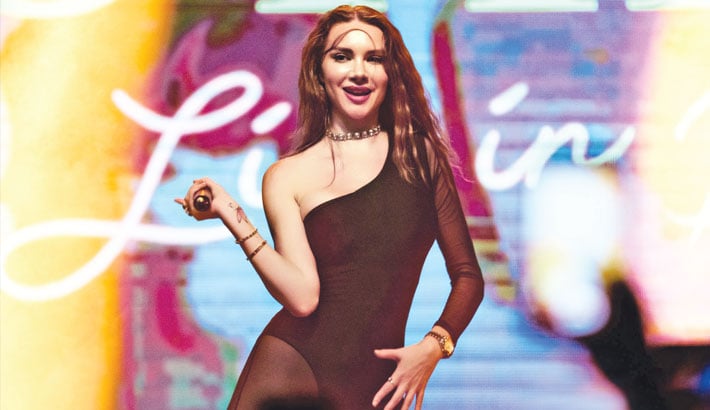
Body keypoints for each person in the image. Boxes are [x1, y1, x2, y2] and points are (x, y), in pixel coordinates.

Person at [176, 5, 484, 410]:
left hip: (377, 387)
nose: (358, 71)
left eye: (373, 58)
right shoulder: (286, 175)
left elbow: (468, 277)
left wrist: (433, 346)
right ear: (319, 71)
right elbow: (303, 299)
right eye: (342, 56)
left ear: (390, 72)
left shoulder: (419, 158)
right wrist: (231, 214)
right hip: (291, 370)